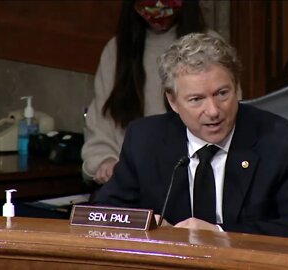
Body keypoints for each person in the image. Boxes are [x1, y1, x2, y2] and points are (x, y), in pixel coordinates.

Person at [92, 33, 288, 240]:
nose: (213, 110)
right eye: (196, 99)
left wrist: (221, 234)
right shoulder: (145, 140)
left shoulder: (283, 143)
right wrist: (148, 225)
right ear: (173, 101)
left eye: (222, 93)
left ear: (237, 88)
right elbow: (102, 213)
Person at [81, 0, 209, 184]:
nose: (158, 5)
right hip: (129, 184)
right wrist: (105, 161)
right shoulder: (116, 50)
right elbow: (101, 124)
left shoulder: (209, 47)